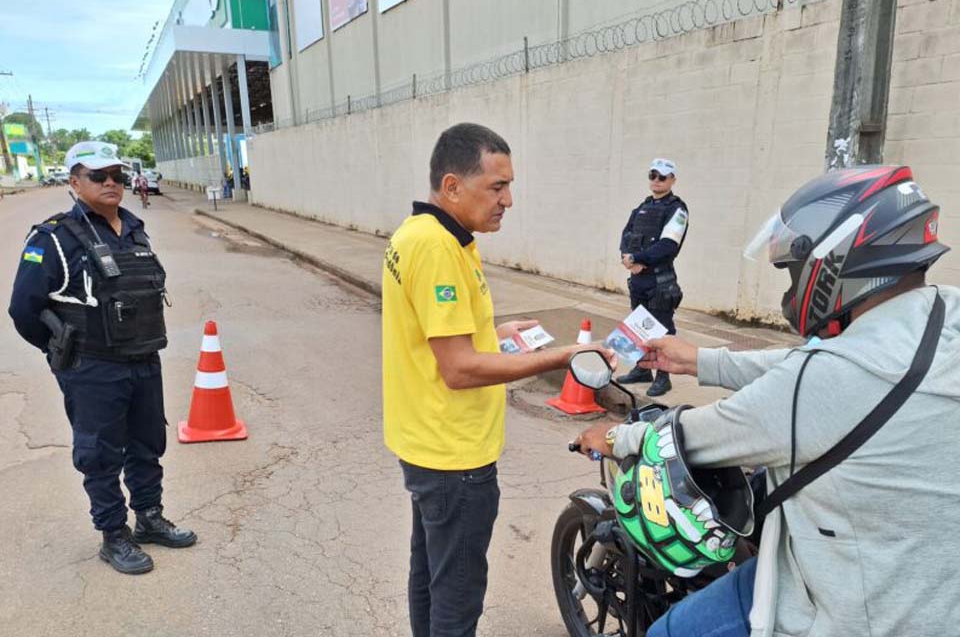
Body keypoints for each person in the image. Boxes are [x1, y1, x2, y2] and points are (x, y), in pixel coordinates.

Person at [575, 166, 958, 637]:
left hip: (848, 606)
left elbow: (693, 435)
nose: (791, 286)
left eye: (794, 270)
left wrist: (613, 436)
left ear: (836, 262)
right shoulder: (944, 318)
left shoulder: (821, 384)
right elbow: (820, 365)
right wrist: (701, 361)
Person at [381, 123, 614, 637]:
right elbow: (460, 368)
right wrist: (558, 357)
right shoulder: (439, 249)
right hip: (454, 456)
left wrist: (495, 331)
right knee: (457, 598)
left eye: (509, 185)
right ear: (452, 186)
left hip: (425, 443)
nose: (509, 199)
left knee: (431, 577)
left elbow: (438, 336)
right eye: (497, 187)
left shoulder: (423, 234)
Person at [8, 141, 196, 575]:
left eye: (118, 175)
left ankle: (149, 517)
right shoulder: (53, 238)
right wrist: (66, 353)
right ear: (75, 182)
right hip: (92, 366)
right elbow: (24, 308)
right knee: (101, 454)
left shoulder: (134, 229)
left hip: (144, 358)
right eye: (98, 176)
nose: (111, 182)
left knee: (148, 443)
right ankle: (114, 536)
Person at [617, 157, 689, 396]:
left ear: (672, 180)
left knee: (662, 330)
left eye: (662, 177)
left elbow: (668, 244)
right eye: (653, 176)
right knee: (640, 328)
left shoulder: (677, 209)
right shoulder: (642, 207)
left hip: (660, 280)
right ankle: (642, 369)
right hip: (638, 279)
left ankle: (663, 377)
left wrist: (639, 260)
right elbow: (626, 235)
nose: (656, 180)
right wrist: (628, 259)